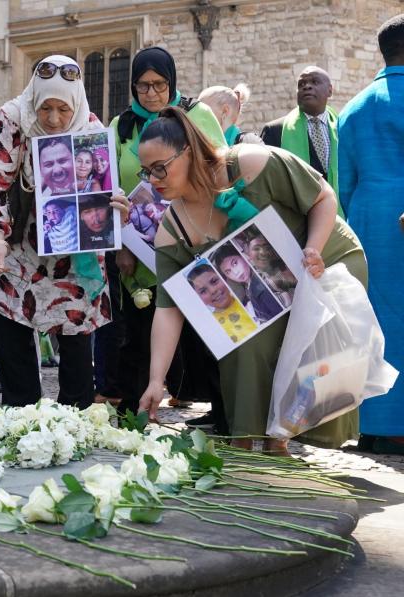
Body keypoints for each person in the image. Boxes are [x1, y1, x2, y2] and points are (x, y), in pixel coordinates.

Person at [136, 107, 367, 455]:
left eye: (160, 168)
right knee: (241, 338)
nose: (153, 180)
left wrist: (313, 251)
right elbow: (169, 311)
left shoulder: (253, 163)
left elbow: (323, 197)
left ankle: (280, 441)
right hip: (266, 289)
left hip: (324, 261)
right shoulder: (171, 232)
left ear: (190, 152)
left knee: (302, 348)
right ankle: (245, 443)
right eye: (147, 171)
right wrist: (156, 380)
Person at [0, 54, 128, 407]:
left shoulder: (89, 130)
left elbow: (102, 189)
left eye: (62, 109)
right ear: (34, 102)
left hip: (73, 252)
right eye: (46, 109)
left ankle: (73, 419)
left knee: (75, 336)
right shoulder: (12, 120)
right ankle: (22, 418)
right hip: (18, 244)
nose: (55, 119)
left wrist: (115, 206)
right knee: (13, 332)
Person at [109, 45, 227, 417]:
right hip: (141, 245)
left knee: (207, 320)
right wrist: (121, 246)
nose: (152, 93)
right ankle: (137, 405)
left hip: (197, 234)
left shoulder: (197, 115)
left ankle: (220, 406)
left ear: (172, 82)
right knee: (143, 324)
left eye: (159, 84)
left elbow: (219, 167)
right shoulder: (120, 126)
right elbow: (111, 188)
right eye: (143, 86)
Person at [338, 13, 404, 454]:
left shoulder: (352, 107)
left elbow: (342, 183)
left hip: (366, 221)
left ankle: (375, 424)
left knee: (374, 322)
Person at [261, 66, 340, 211]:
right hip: (296, 220)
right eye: (301, 84)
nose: (307, 87)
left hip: (340, 216)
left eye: (315, 82)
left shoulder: (343, 127)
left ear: (330, 90)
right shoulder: (275, 131)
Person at [186, 261, 258, 342]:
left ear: (224, 278)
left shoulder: (252, 299)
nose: (213, 290)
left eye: (214, 281)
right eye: (203, 291)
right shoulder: (211, 326)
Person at [212, 243, 283, 324]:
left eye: (235, 263)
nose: (235, 272)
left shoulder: (259, 285)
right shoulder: (248, 286)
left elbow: (278, 315)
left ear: (243, 256)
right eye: (228, 272)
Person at [237, 229, 296, 306]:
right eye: (256, 249)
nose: (263, 252)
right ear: (249, 257)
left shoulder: (285, 268)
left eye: (266, 247)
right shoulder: (254, 287)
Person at [198, 84, 263, 146]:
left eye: (205, 111)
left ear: (225, 111)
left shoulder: (249, 143)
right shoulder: (203, 144)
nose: (199, 117)